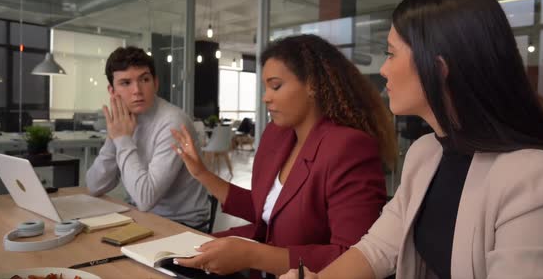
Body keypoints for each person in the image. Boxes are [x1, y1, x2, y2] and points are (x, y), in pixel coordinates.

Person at [280, 0, 543, 279]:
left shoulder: (542, 182)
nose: (383, 70)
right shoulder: (426, 153)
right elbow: (378, 248)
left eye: (391, 54)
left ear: (438, 69)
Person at [170, 34, 397, 278]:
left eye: (276, 86)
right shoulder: (276, 136)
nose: (266, 97)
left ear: (312, 84)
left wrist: (252, 254)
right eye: (265, 87)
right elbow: (264, 209)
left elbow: (352, 257)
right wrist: (201, 173)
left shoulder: (349, 147)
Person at [86, 46, 210, 229]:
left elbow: (146, 198)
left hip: (182, 225)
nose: (137, 90)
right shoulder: (124, 120)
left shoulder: (172, 122)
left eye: (144, 79)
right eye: (126, 83)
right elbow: (95, 185)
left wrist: (122, 140)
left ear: (155, 83)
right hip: (141, 217)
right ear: (112, 91)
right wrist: (115, 137)